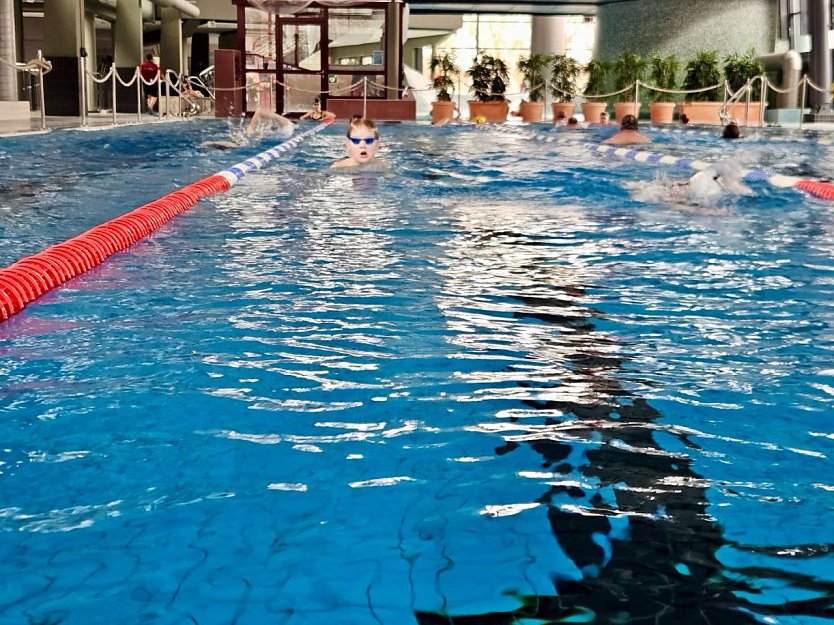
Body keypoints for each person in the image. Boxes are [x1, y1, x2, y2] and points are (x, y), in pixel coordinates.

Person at [200, 108, 295, 149]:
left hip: (252, 134)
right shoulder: (288, 126)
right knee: (241, 143)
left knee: (240, 144)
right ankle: (212, 143)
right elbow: (260, 111)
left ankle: (212, 143)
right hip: (252, 133)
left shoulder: (286, 128)